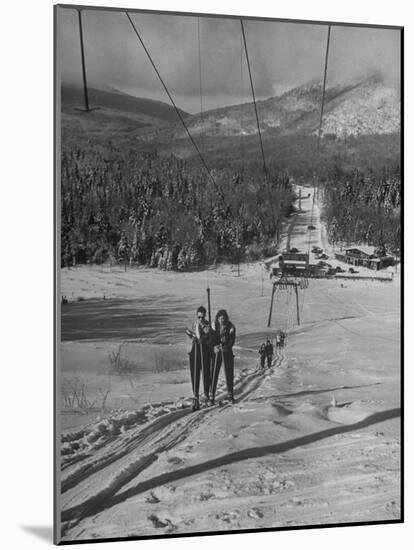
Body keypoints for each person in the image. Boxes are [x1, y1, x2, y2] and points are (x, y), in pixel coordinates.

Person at [186, 306, 213, 411]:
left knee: (205, 373)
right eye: (199, 316)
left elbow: (209, 336)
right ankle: (195, 395)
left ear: (205, 315)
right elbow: (187, 331)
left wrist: (204, 338)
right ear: (196, 315)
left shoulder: (208, 325)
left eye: (202, 316)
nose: (200, 319)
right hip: (195, 351)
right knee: (195, 373)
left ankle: (206, 394)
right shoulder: (194, 324)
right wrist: (193, 335)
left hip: (204, 352)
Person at [210, 309, 236, 404]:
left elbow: (232, 340)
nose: (221, 320)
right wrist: (214, 346)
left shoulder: (231, 327)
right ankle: (211, 395)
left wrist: (226, 346)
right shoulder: (214, 326)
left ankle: (230, 394)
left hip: (227, 352)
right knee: (214, 373)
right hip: (217, 352)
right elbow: (211, 338)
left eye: (223, 319)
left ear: (226, 318)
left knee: (229, 372)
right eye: (219, 319)